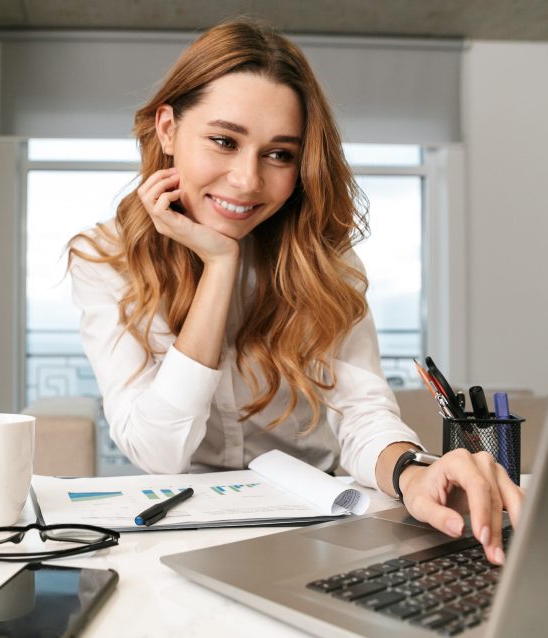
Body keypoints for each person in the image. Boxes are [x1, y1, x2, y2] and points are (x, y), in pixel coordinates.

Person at [68, 19, 522, 565]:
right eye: (224, 141)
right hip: (182, 528)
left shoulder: (323, 260)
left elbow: (361, 412)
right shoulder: (105, 260)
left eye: (279, 154)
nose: (246, 180)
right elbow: (159, 451)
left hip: (319, 522)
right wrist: (220, 265)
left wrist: (412, 471)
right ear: (167, 129)